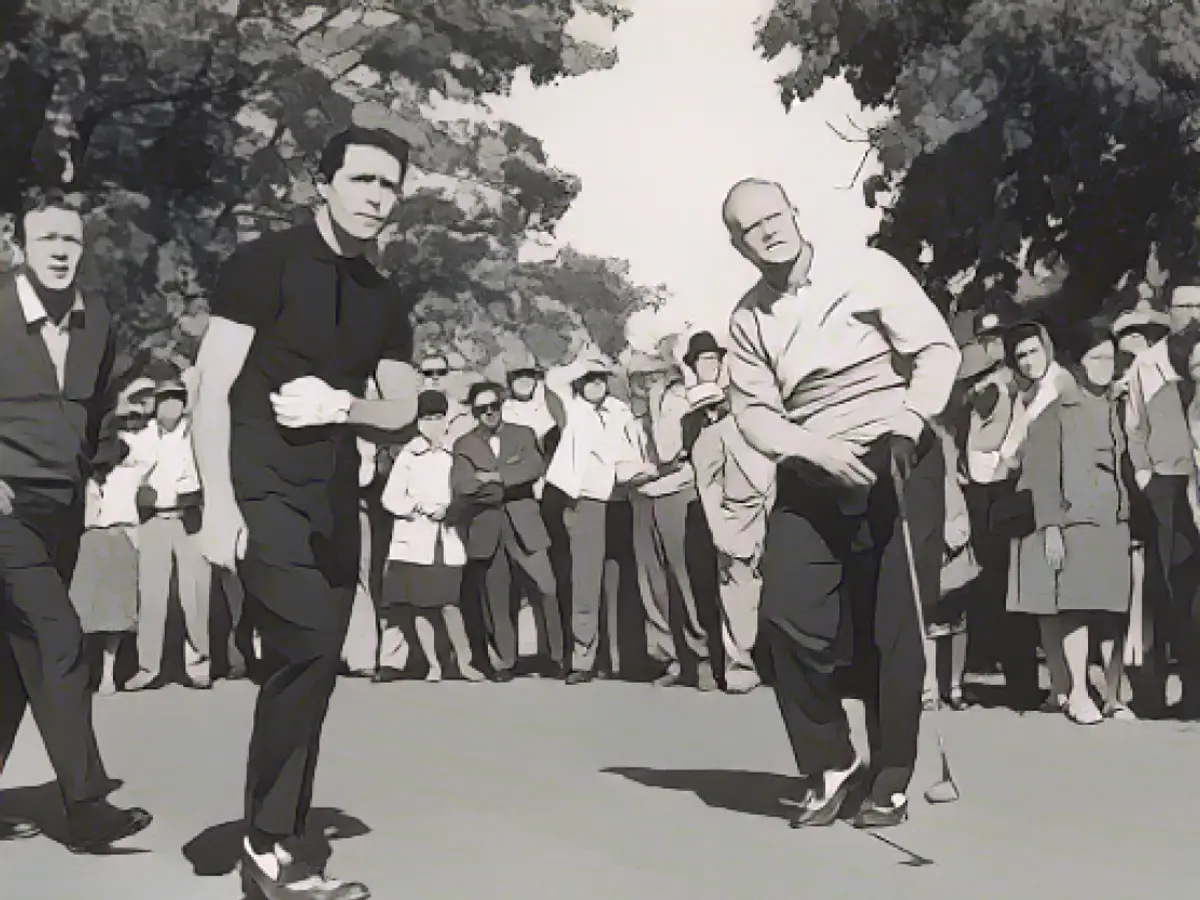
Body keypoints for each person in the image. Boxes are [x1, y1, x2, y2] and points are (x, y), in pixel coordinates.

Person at [193, 126, 419, 900]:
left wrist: (346, 403)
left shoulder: (384, 298)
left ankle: (276, 844)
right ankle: (265, 849)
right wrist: (217, 505)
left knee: (316, 663)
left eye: (388, 186)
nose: (375, 198)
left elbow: (404, 410)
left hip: (333, 501)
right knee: (304, 650)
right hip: (260, 490)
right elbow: (208, 390)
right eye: (361, 180)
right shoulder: (263, 265)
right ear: (323, 184)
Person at [722, 178, 960, 829]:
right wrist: (811, 449)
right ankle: (829, 763)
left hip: (896, 453)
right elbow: (754, 415)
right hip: (812, 469)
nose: (768, 230)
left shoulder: (868, 270)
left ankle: (892, 775)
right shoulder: (747, 318)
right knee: (783, 617)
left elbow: (938, 351)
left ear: (795, 211)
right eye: (751, 227)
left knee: (895, 628)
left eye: (774, 215)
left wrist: (910, 421)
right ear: (739, 245)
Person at [0, 191, 152, 850]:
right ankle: (86, 806)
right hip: (3, 505)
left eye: (71, 240)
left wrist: (94, 465)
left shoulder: (97, 319)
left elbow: (102, 407)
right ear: (19, 248)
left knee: (14, 658)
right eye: (47, 240)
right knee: (59, 636)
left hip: (59, 507)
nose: (61, 252)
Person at [1004, 321, 1132, 724]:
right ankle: (1077, 692)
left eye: (1110, 359)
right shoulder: (1054, 409)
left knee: (1114, 610)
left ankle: (1112, 696)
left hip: (1113, 518)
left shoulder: (1111, 406)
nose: (1104, 366)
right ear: (1079, 362)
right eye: (1096, 358)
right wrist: (1052, 527)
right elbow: (1043, 474)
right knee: (1075, 607)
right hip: (1075, 518)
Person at [546, 353, 653, 684]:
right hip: (587, 503)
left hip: (620, 501)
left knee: (621, 583)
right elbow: (553, 380)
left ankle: (621, 659)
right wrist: (584, 360)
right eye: (589, 378)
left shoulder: (620, 411)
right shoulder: (572, 408)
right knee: (586, 582)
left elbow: (631, 453)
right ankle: (583, 659)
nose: (595, 384)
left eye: (600, 378)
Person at [1116, 305, 1200, 719]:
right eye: (1185, 306)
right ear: (1172, 312)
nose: (1193, 314)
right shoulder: (1146, 367)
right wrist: (1147, 478)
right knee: (1177, 590)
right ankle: (1189, 690)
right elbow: (1135, 428)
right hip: (1168, 484)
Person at [452, 382, 564, 680]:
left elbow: (534, 468)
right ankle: (505, 662)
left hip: (525, 523)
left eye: (494, 406)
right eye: (481, 409)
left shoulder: (522, 434)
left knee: (546, 588)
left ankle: (556, 657)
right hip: (487, 527)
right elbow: (463, 486)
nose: (489, 413)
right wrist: (506, 483)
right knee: (496, 597)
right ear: (473, 412)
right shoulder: (464, 444)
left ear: (502, 405)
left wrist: (492, 476)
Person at [380, 390, 483, 682]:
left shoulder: (455, 453)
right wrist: (418, 508)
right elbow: (390, 498)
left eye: (438, 417)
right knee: (420, 606)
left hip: (447, 537)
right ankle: (433, 665)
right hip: (415, 539)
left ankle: (464, 662)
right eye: (427, 418)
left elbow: (464, 490)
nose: (433, 423)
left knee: (450, 604)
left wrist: (448, 510)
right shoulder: (409, 455)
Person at [627, 354, 716, 690]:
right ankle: (670, 660)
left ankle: (702, 657)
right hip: (641, 498)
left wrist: (655, 405)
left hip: (676, 494)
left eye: (654, 376)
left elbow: (666, 451)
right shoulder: (628, 412)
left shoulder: (677, 404)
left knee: (686, 580)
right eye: (640, 377)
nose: (647, 382)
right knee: (652, 585)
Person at [689, 382, 776, 693]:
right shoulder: (714, 436)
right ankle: (739, 668)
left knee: (773, 597)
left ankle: (774, 665)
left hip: (774, 521)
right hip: (736, 523)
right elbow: (707, 486)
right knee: (737, 599)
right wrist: (719, 530)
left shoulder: (773, 429)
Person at [126, 378, 212, 690]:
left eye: (177, 399)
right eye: (165, 400)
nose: (171, 406)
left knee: (195, 595)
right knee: (151, 596)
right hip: (153, 521)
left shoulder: (196, 435)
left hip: (189, 520)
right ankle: (147, 667)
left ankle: (199, 664)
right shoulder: (143, 437)